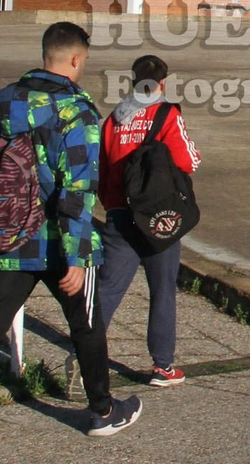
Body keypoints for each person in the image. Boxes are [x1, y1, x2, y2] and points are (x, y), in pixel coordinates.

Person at [0, 23, 141, 464]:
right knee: (87, 325)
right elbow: (78, 190)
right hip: (56, 244)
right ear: (76, 60)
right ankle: (102, 411)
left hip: (6, 239)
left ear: (45, 55)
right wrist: (76, 257)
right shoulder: (78, 112)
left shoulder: (3, 105)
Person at [94, 55, 201, 388]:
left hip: (120, 216)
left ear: (132, 81)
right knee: (162, 290)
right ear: (163, 83)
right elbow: (188, 160)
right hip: (158, 219)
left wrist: (114, 207)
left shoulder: (114, 119)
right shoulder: (168, 114)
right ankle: (162, 367)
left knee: (107, 290)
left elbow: (104, 171)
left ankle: (85, 357)